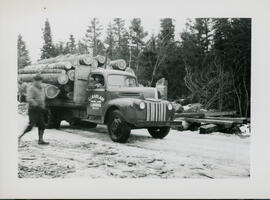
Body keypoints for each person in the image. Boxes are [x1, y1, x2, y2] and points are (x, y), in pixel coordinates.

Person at [18, 74, 49, 145]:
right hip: (33, 109)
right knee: (31, 125)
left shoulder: (41, 88)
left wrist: (43, 106)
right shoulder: (31, 88)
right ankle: (20, 137)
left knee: (42, 125)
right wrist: (36, 104)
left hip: (40, 109)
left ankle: (40, 140)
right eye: (37, 81)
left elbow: (42, 98)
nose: (39, 82)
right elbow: (29, 98)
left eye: (40, 81)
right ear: (34, 81)